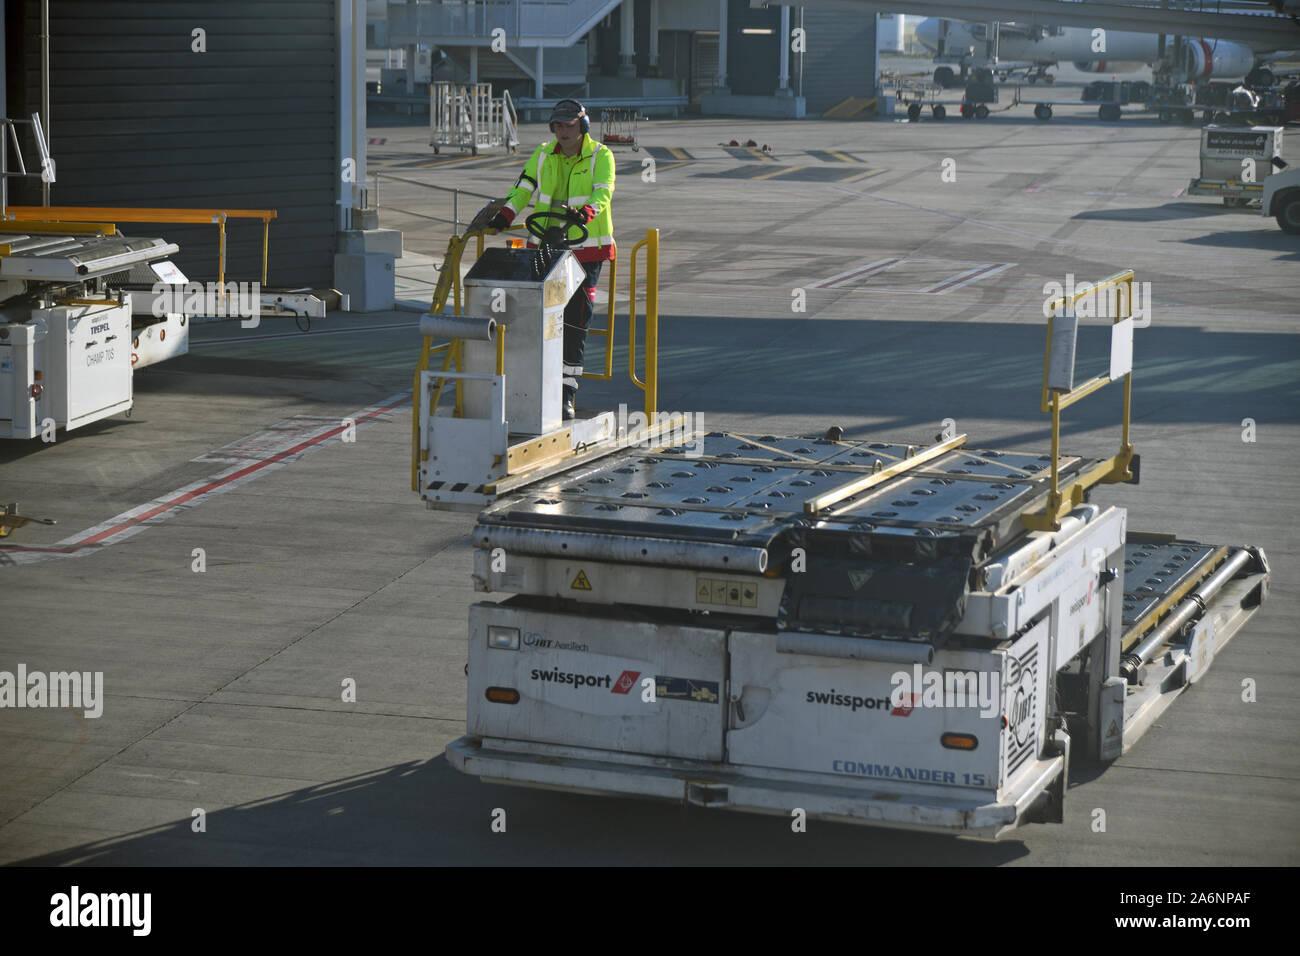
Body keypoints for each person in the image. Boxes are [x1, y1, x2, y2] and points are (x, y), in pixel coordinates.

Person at [488, 99, 615, 420]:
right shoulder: (543, 153)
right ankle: (537, 387)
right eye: (557, 126)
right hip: (546, 245)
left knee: (575, 320)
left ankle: (566, 392)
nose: (562, 132)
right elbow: (523, 187)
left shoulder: (601, 155)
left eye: (568, 126)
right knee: (539, 318)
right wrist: (506, 214)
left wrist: (585, 213)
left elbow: (603, 192)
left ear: (582, 126)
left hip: (585, 249)